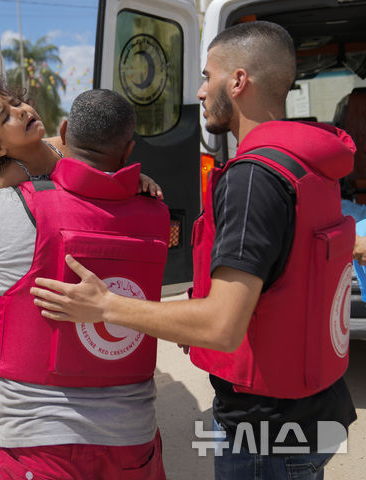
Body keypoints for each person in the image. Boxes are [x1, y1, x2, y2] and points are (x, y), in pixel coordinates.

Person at [32, 21, 357, 479]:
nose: (201, 92)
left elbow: (223, 326)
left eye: (207, 76)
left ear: (238, 81)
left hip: (266, 432)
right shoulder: (309, 164)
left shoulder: (253, 179)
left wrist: (105, 306)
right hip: (312, 410)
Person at [0, 87, 170, 479]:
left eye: (17, 104)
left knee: (14, 341)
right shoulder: (3, 188)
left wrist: (133, 179)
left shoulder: (48, 155)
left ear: (63, 129)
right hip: (132, 440)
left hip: (35, 447)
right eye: (6, 115)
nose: (21, 110)